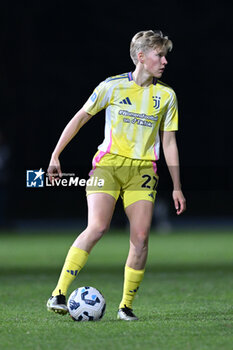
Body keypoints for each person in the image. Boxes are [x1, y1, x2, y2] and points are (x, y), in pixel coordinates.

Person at [46, 29, 186, 321]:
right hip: (107, 165)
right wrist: (55, 154)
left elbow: (169, 142)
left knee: (141, 237)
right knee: (97, 227)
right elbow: (80, 118)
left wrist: (177, 185)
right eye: (159, 55)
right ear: (141, 57)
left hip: (143, 170)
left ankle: (125, 307)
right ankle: (58, 293)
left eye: (164, 55)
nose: (164, 61)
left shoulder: (166, 96)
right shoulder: (111, 87)